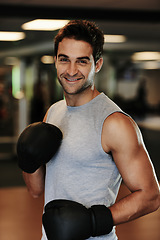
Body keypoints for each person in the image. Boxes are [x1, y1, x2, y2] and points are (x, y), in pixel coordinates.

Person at [21, 20, 160, 240]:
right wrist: (28, 161)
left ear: (97, 65)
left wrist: (94, 221)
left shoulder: (114, 123)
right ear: (55, 61)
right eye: (64, 59)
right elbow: (36, 190)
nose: (72, 70)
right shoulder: (53, 112)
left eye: (82, 61)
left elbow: (150, 196)